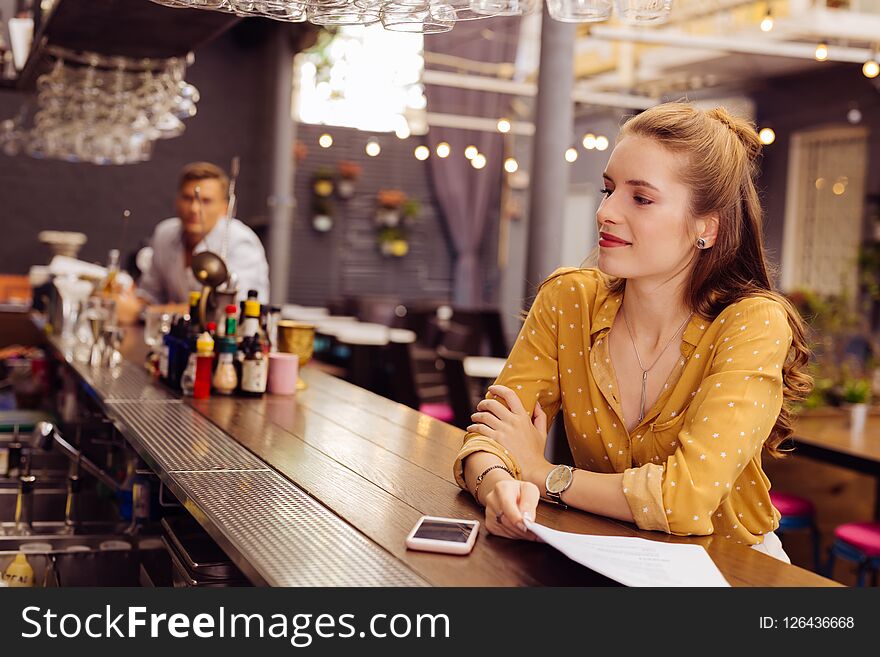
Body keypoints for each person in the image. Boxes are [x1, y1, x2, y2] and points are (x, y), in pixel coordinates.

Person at [454, 103, 812, 563]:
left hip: (730, 571)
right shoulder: (569, 301)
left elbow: (685, 501)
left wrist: (544, 475)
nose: (605, 211)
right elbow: (488, 439)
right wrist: (499, 487)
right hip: (601, 554)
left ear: (707, 227)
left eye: (640, 198)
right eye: (608, 189)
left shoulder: (753, 323)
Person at [137, 161, 270, 307]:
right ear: (177, 201)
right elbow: (148, 294)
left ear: (225, 208)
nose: (194, 208)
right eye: (187, 198)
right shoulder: (164, 234)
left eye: (205, 201)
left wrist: (164, 312)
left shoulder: (241, 242)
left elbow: (237, 310)